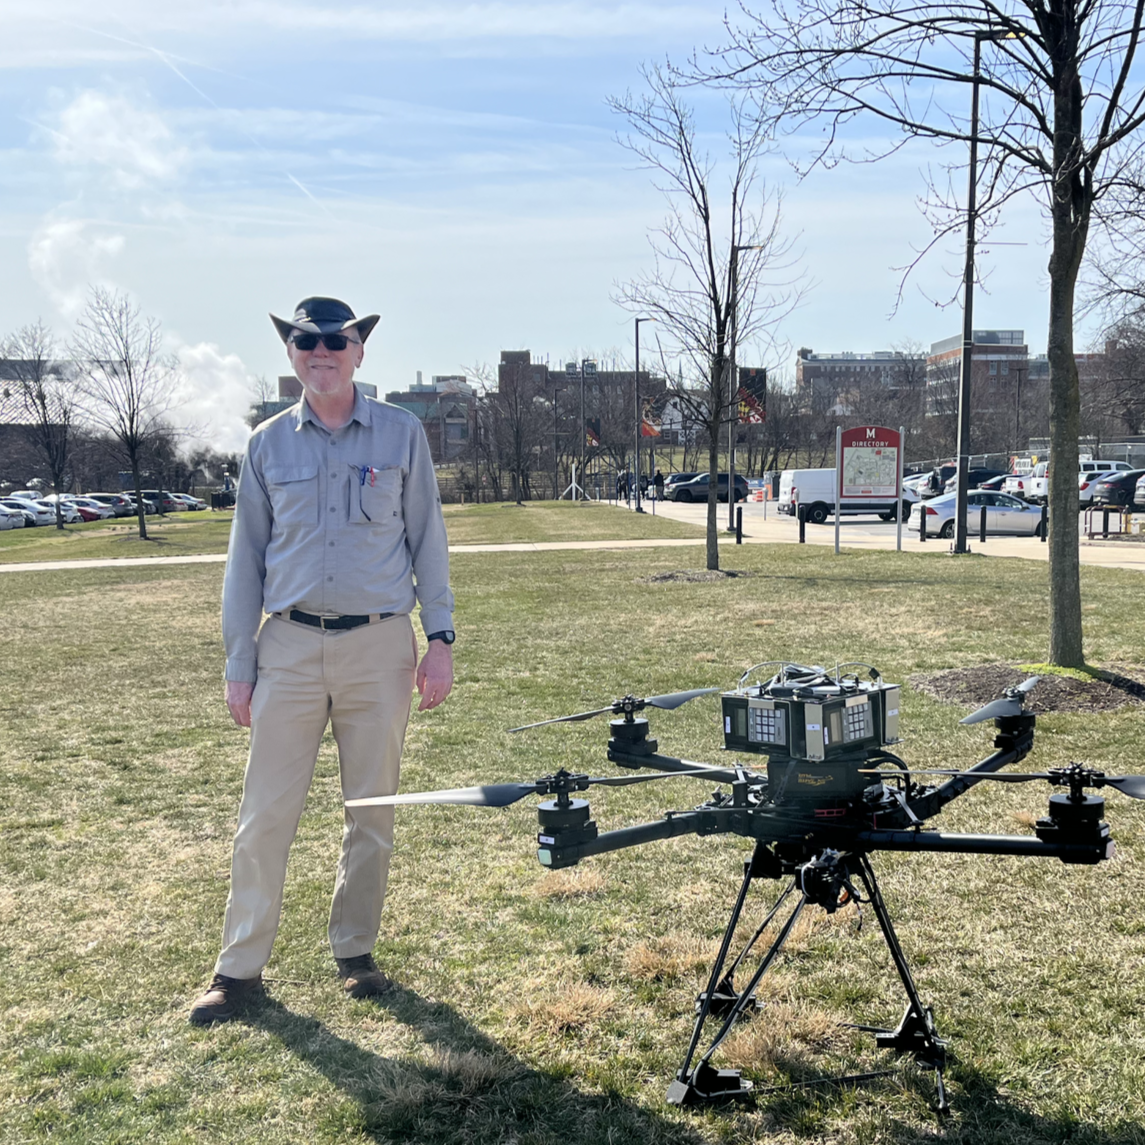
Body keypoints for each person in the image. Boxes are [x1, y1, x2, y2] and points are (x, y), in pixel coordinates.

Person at [189, 297, 455, 1025]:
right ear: (292, 353)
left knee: (371, 810)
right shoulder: (267, 444)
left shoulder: (402, 434)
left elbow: (427, 539)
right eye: (306, 341)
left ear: (359, 351)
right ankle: (237, 968)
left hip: (379, 646)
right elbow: (244, 559)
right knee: (264, 814)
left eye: (336, 340)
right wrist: (238, 660)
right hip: (289, 646)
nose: (321, 351)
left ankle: (354, 951)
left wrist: (439, 638)